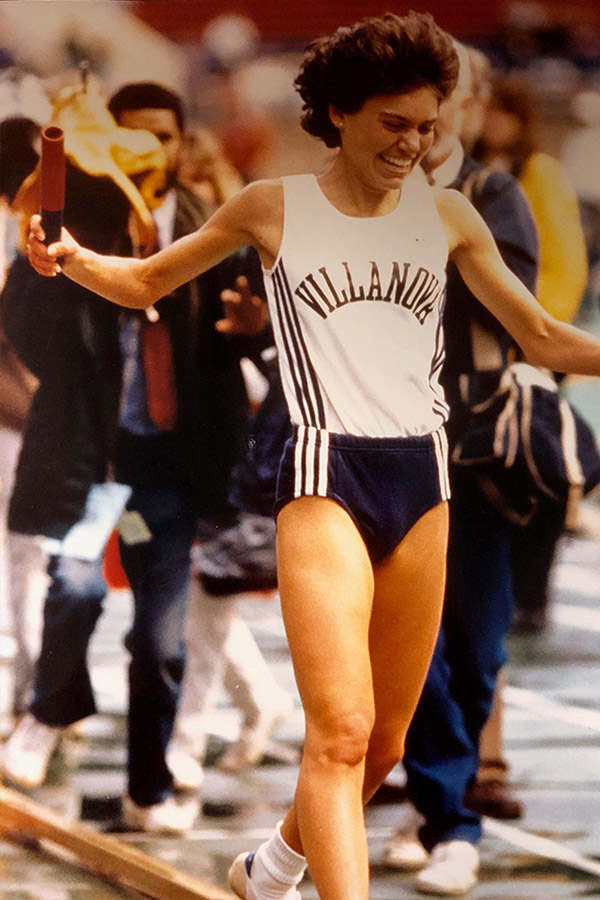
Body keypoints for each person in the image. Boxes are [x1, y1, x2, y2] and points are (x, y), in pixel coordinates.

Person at [27, 13, 600, 900]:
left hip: (426, 479)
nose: (413, 143)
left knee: (385, 748)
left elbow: (542, 336)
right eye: (393, 123)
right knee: (338, 733)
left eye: (427, 126)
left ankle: (275, 866)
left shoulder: (449, 216)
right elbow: (145, 282)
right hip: (326, 479)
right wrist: (66, 258)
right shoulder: (272, 207)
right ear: (338, 112)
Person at [2, 79, 267, 835]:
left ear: (184, 144)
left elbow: (252, 328)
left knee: (159, 642)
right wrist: (45, 267)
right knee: (76, 589)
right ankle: (49, 709)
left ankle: (149, 787)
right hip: (95, 470)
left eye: (163, 135)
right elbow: (29, 333)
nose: (149, 149)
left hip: (172, 476)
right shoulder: (71, 218)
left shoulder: (212, 224)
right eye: (132, 134)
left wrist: (250, 327)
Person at [381, 41, 538, 894]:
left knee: (475, 645)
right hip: (387, 445)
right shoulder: (356, 195)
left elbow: (520, 314)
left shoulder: (488, 193)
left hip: (477, 452)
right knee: (416, 649)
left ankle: (437, 802)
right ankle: (446, 811)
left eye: (448, 101)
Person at [473, 75, 588, 633]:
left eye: (500, 112)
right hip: (486, 345)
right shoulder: (463, 177)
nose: (489, 121)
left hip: (531, 343)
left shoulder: (536, 172)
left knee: (538, 465)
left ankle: (533, 592)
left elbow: (565, 258)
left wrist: (537, 332)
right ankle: (505, 587)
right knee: (493, 471)